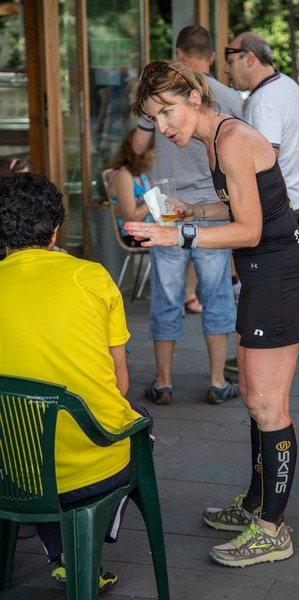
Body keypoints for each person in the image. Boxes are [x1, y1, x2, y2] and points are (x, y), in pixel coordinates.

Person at [126, 59, 299, 567]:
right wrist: (194, 212)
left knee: (267, 405)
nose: (164, 127)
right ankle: (257, 505)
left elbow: (251, 230)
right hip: (264, 277)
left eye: (168, 112)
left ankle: (271, 529)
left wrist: (178, 233)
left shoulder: (232, 139)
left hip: (277, 277)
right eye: (155, 118)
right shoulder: (216, 139)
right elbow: (238, 207)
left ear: (194, 97)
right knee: (257, 402)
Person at [0, 172, 148, 591]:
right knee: (140, 424)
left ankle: (57, 546)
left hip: (12, 471)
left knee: (29, 436)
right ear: (56, 230)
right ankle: (79, 545)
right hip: (92, 465)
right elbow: (119, 384)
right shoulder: (93, 278)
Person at [132, 25, 242, 405]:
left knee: (166, 295)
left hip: (168, 208)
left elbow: (138, 145)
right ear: (211, 56)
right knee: (216, 294)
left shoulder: (158, 98)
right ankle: (216, 381)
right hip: (215, 204)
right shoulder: (229, 97)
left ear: (179, 52)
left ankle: (163, 382)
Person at [222, 32, 299, 374]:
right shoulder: (286, 85)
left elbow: (265, 160)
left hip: (273, 208)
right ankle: (263, 356)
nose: (228, 70)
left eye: (230, 61)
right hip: (290, 201)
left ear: (249, 58)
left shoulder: (264, 100)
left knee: (262, 292)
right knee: (270, 292)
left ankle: (261, 360)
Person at [105, 127, 155, 246]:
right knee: (179, 243)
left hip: (147, 230)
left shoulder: (141, 175)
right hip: (133, 234)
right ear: (141, 153)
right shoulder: (124, 176)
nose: (155, 157)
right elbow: (131, 218)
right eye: (153, 152)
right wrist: (154, 199)